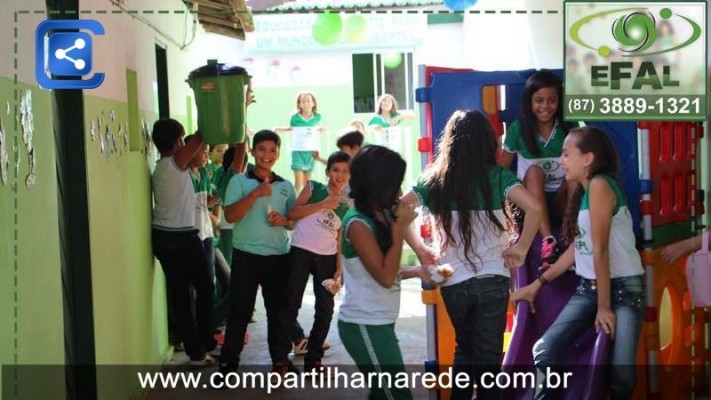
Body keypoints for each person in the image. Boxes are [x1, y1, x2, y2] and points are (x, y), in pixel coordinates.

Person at [401, 110, 542, 400]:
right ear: (487, 142)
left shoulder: (434, 180)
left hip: (454, 281)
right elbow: (535, 208)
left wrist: (422, 250)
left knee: (464, 349)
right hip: (493, 277)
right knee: (489, 357)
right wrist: (522, 247)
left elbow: (398, 211)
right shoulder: (499, 176)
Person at [511, 126, 645, 400]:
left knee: (622, 376)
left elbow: (601, 250)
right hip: (589, 288)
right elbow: (578, 249)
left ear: (587, 158)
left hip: (624, 290)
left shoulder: (600, 185)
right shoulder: (586, 192)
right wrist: (537, 284)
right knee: (544, 350)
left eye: (566, 154)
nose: (560, 161)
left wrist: (605, 308)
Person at [338, 145, 430, 400]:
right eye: (395, 184)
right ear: (378, 185)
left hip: (378, 322)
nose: (399, 192)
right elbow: (384, 276)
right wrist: (399, 228)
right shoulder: (357, 224)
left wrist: (418, 270)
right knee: (396, 395)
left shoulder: (380, 214)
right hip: (363, 324)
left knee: (385, 393)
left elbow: (380, 268)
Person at [219, 130, 297, 376]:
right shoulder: (239, 182)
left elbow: (293, 222)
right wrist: (255, 194)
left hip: (278, 257)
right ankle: (228, 365)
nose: (267, 155)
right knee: (239, 311)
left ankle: (281, 361)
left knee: (279, 312)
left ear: (278, 153)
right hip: (246, 256)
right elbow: (230, 216)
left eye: (272, 150)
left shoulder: (286, 186)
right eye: (261, 149)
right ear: (252, 152)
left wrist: (284, 219)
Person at [150, 120, 216, 367]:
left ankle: (196, 352)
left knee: (181, 297)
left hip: (162, 237)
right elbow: (200, 136)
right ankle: (205, 341)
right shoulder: (175, 164)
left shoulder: (160, 167)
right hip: (182, 237)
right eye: (182, 140)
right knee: (205, 289)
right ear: (178, 142)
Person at [498, 70, 578, 270]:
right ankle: (548, 241)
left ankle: (572, 233)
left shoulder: (568, 127)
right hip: (530, 207)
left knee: (574, 174)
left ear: (559, 102)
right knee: (533, 172)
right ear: (530, 102)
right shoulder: (518, 129)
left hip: (561, 203)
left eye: (552, 100)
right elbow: (501, 170)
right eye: (539, 100)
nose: (545, 107)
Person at [284, 151, 352, 372]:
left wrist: (339, 270)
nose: (340, 175)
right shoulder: (313, 187)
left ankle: (314, 359)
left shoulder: (348, 205)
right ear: (328, 172)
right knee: (290, 305)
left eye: (345, 171)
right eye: (336, 170)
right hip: (300, 252)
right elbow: (293, 213)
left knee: (325, 309)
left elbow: (341, 239)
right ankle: (280, 359)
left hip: (328, 259)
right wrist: (324, 204)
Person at [275, 92, 325, 193]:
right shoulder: (295, 118)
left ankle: (306, 203)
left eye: (308, 101)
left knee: (307, 183)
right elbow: (290, 128)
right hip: (298, 151)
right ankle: (295, 202)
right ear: (299, 104)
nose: (306, 104)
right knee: (298, 182)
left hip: (311, 152)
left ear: (313, 103)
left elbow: (317, 127)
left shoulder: (317, 117)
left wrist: (320, 129)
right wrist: (278, 129)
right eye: (303, 101)